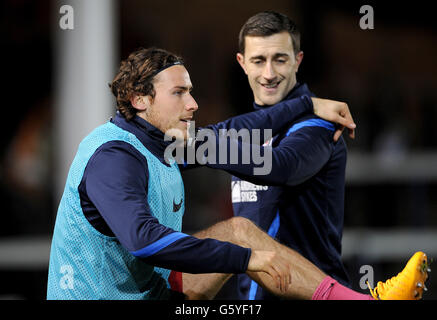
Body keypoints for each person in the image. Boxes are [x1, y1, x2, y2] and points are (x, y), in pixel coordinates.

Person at [47, 47, 428, 300]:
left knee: (240, 231)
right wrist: (245, 260)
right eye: (179, 93)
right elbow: (143, 240)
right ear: (140, 99)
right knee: (242, 245)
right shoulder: (113, 156)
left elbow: (237, 130)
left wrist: (307, 105)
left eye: (191, 91)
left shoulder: (166, 142)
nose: (193, 104)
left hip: (151, 291)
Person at [181, 12, 430, 300]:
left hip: (307, 295)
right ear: (242, 63)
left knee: (237, 232)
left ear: (298, 60)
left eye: (280, 59)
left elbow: (282, 166)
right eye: (259, 61)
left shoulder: (319, 125)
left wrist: (201, 146)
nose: (269, 73)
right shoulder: (250, 127)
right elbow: (179, 150)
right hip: (253, 299)